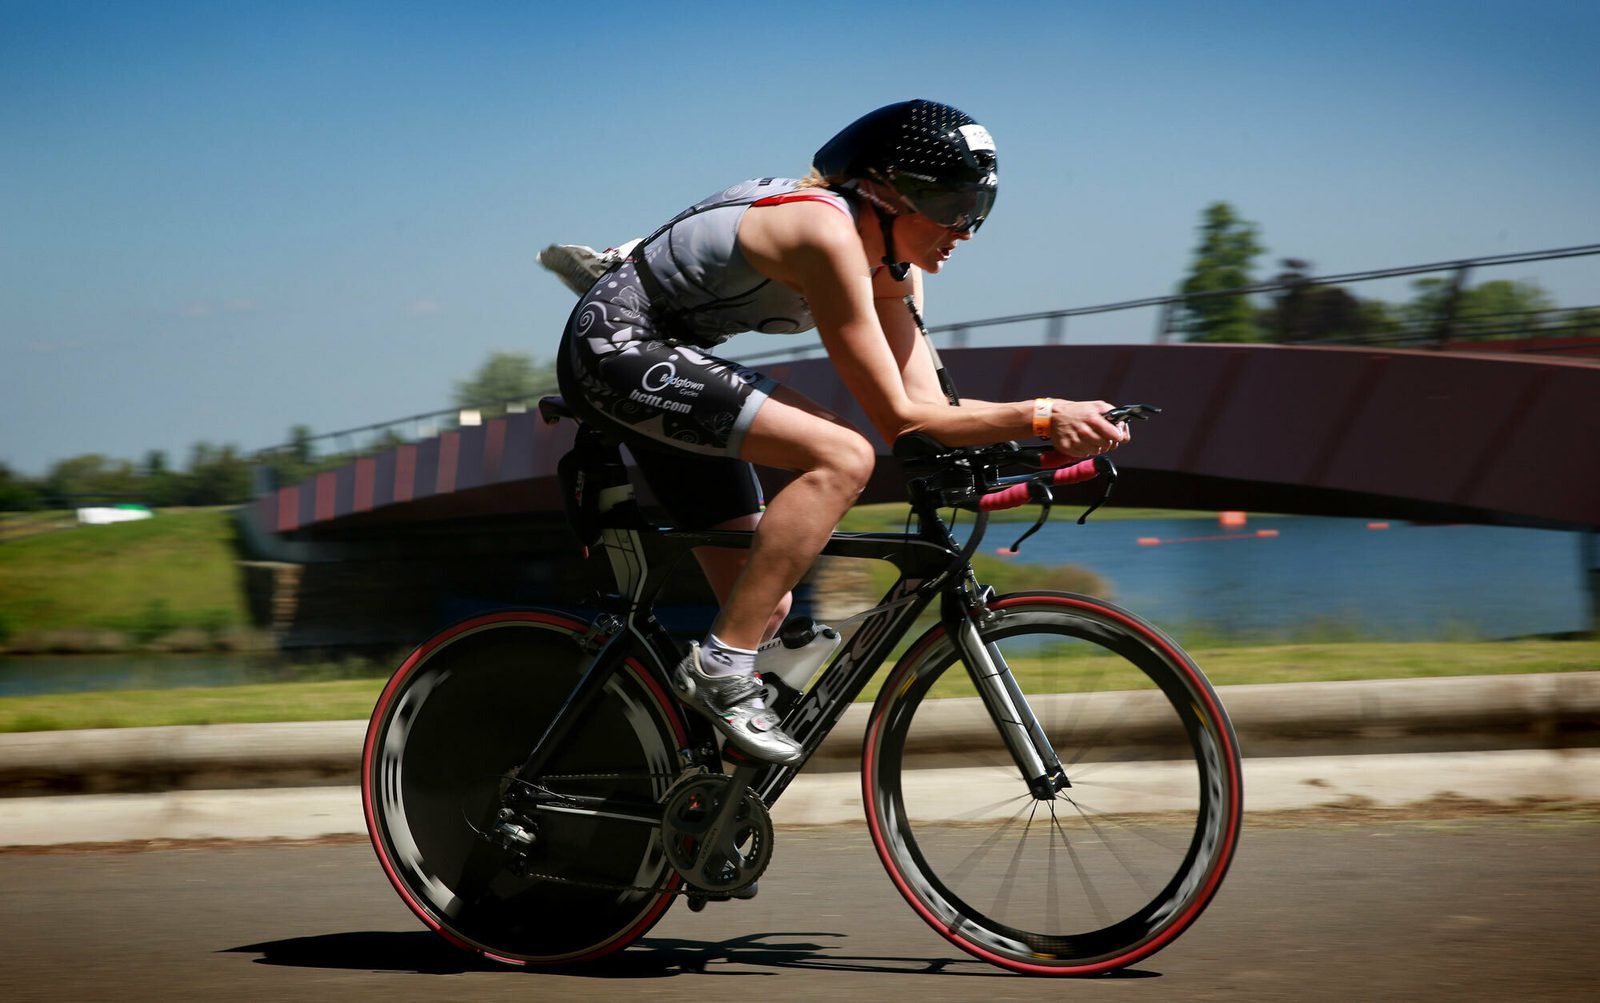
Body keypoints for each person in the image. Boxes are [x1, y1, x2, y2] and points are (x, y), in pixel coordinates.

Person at [549, 99, 1129, 767]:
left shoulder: (894, 269)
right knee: (842, 456)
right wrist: (1042, 412)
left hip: (672, 359)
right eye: (952, 204)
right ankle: (719, 672)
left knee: (763, 603)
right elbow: (900, 422)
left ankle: (691, 787)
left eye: (979, 208)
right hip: (615, 349)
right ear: (884, 192)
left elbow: (929, 411)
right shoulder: (824, 232)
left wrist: (1037, 436)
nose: (965, 229)